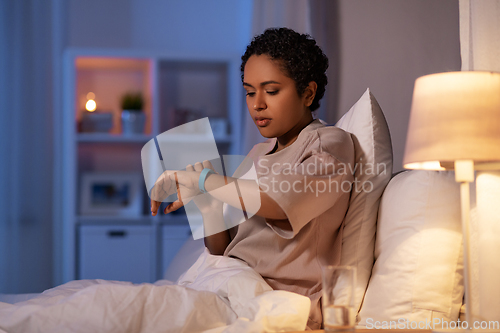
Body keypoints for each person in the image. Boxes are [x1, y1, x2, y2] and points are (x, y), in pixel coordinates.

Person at [150, 27, 355, 330]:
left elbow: (278, 204)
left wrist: (206, 179)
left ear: (308, 93)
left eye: (271, 91)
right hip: (230, 283)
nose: (257, 103)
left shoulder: (327, 144)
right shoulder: (258, 153)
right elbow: (224, 249)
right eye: (249, 91)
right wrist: (208, 206)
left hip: (275, 300)